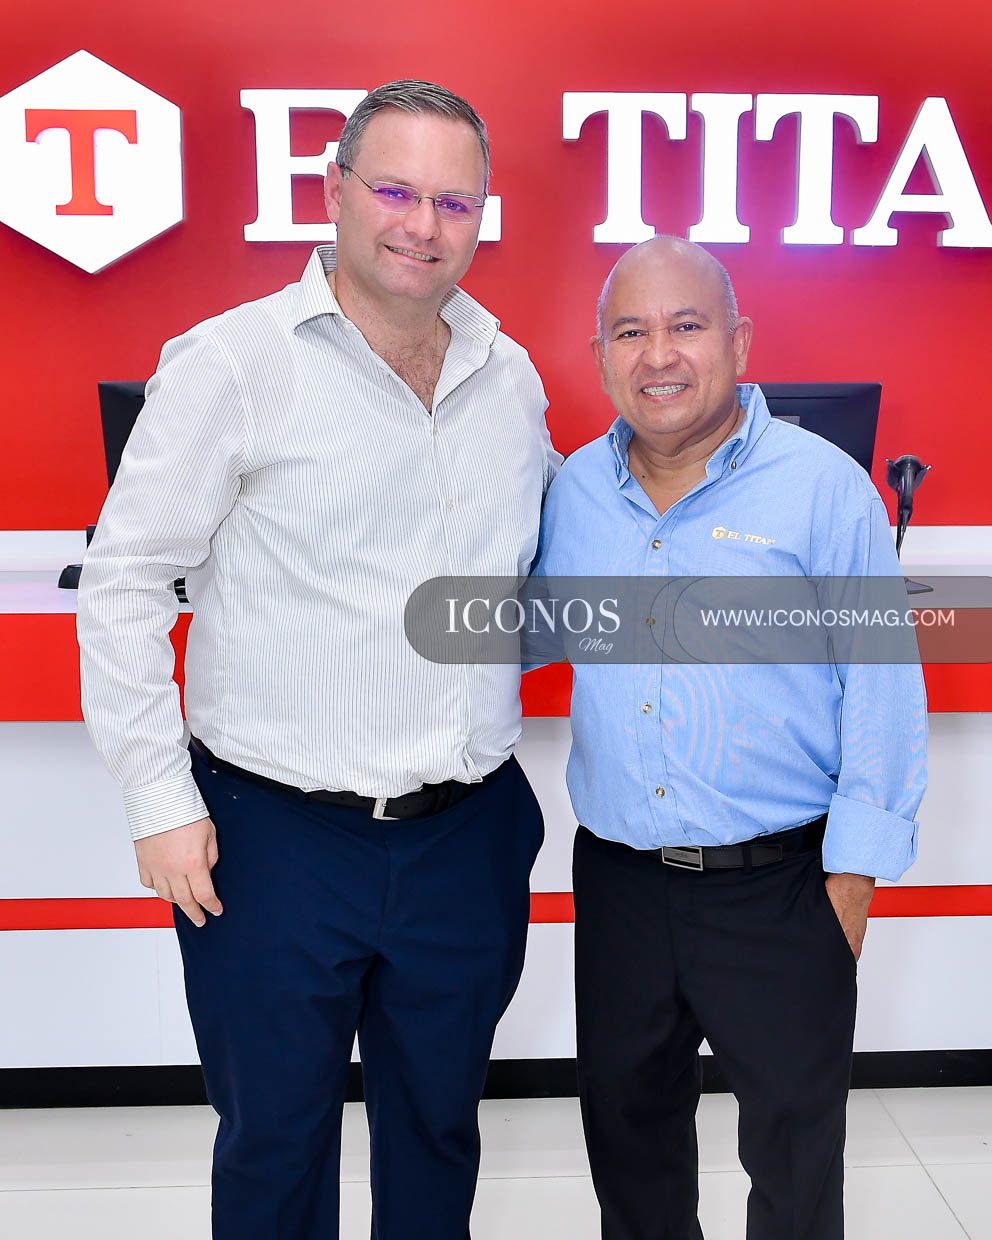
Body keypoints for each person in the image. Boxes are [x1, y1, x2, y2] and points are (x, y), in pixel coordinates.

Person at [77, 79, 560, 1240]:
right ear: (333, 191)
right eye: (394, 190)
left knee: (438, 1128)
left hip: (467, 835)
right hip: (275, 840)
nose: (422, 225)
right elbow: (124, 578)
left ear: (480, 216)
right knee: (275, 1146)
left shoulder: (509, 374)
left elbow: (533, 572)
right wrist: (158, 799)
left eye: (453, 201)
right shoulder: (232, 363)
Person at [534, 236, 926, 1239]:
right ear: (600, 357)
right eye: (631, 332)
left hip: (780, 887)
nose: (658, 355)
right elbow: (521, 636)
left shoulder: (823, 487)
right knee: (630, 1152)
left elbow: (881, 688)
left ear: (739, 343)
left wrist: (850, 884)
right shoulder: (572, 494)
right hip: (621, 886)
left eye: (686, 326)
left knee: (794, 1168)